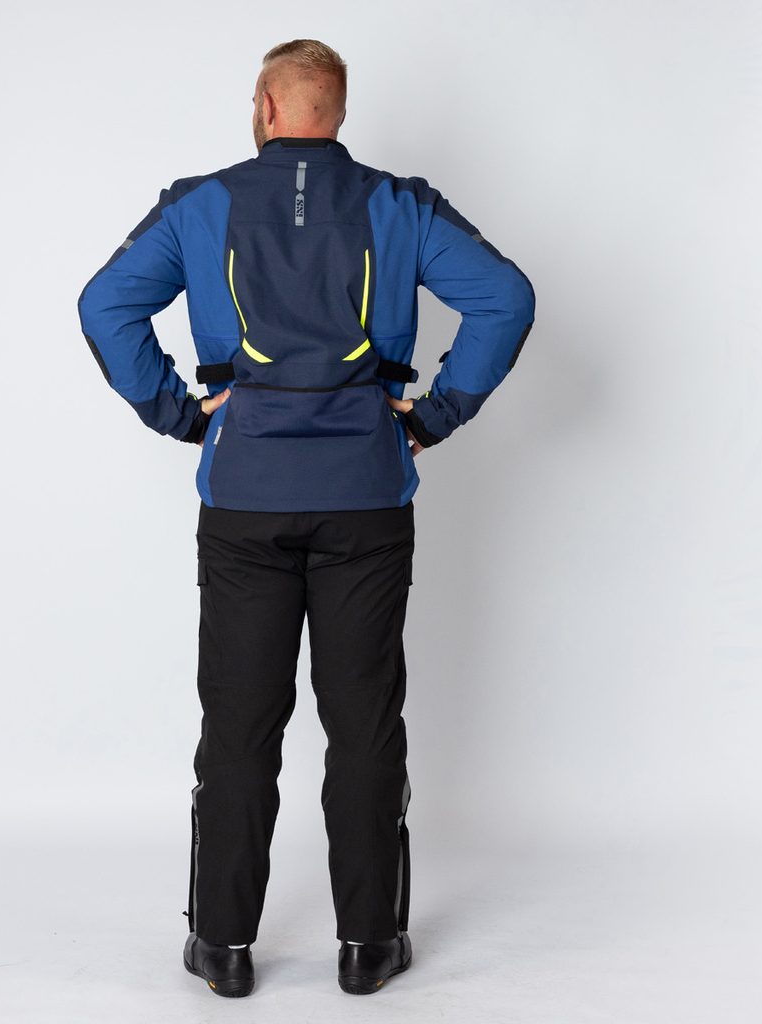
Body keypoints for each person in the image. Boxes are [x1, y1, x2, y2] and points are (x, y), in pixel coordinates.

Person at [76, 38, 536, 998]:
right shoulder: (399, 204)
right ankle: (368, 946)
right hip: (366, 494)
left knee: (239, 724)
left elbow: (106, 304)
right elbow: (505, 296)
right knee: (364, 723)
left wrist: (180, 415)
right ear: (338, 111)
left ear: (265, 107)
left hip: (245, 497)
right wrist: (435, 416)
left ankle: (223, 946)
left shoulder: (201, 203)